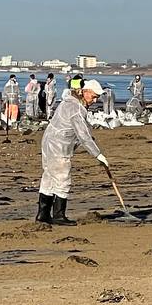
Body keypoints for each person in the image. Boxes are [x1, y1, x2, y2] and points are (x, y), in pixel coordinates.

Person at [36, 79, 109, 227]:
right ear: (85, 92)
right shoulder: (75, 108)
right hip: (58, 147)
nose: (95, 100)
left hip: (50, 143)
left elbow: (83, 131)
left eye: (97, 98)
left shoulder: (70, 103)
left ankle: (43, 214)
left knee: (49, 177)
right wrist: (98, 155)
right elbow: (84, 136)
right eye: (94, 96)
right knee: (62, 178)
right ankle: (58, 215)